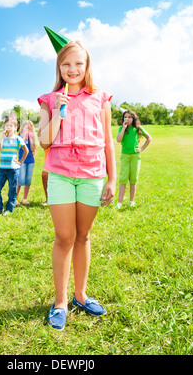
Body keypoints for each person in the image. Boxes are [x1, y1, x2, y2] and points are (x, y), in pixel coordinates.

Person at [38, 39, 116, 330]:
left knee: (83, 235)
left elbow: (108, 140)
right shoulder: (48, 99)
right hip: (59, 173)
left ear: (87, 66)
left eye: (78, 63)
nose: (73, 69)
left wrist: (112, 178)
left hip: (92, 173)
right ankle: (60, 302)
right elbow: (44, 141)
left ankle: (80, 295)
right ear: (59, 67)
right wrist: (59, 110)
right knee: (64, 236)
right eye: (66, 63)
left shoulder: (100, 99)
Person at [0, 116, 28, 215]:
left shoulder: (18, 138)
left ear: (15, 128)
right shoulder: (2, 138)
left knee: (12, 190)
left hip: (13, 169)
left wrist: (20, 161)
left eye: (11, 126)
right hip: (2, 169)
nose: (9, 127)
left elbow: (26, 150)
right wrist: (2, 137)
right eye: (7, 125)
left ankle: (9, 209)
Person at [116, 110, 152, 209]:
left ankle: (131, 201)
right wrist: (124, 128)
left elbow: (149, 138)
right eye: (125, 117)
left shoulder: (138, 128)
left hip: (135, 157)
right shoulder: (121, 128)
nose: (127, 119)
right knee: (123, 179)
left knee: (133, 179)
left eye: (129, 117)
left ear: (133, 118)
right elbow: (118, 140)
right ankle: (119, 202)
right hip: (125, 156)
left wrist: (141, 148)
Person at [16, 121, 37, 205]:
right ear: (22, 128)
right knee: (21, 179)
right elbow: (18, 147)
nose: (28, 129)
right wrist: (24, 138)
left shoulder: (31, 138)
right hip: (22, 160)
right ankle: (15, 197)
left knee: (28, 180)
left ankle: (24, 198)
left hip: (30, 160)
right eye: (26, 127)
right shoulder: (18, 137)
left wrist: (31, 139)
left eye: (30, 128)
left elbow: (32, 149)